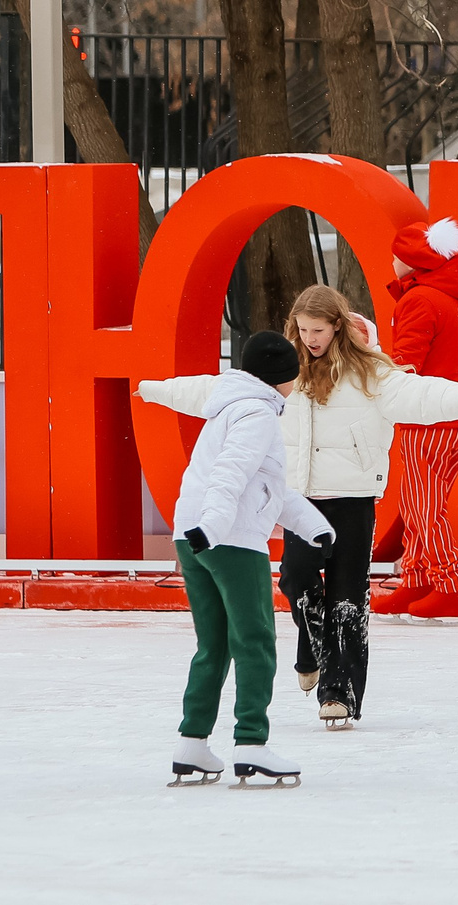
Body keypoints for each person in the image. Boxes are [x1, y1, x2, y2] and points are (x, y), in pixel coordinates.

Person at [141, 288, 458, 731]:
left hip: (353, 498)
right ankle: (311, 641)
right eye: (302, 330)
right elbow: (214, 388)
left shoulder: (370, 372)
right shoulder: (285, 370)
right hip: (298, 497)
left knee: (346, 598)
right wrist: (153, 389)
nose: (310, 339)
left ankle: (339, 694)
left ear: (338, 325)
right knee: (295, 580)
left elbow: (413, 392)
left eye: (317, 330)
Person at [144, 330, 336, 787]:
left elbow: (266, 486)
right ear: (280, 377)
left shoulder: (230, 407)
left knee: (214, 644)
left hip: (191, 534)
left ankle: (192, 742)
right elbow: (232, 473)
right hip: (228, 536)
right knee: (255, 641)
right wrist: (213, 526)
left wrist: (314, 527)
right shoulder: (258, 414)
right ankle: (251, 743)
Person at [377, 217, 458, 620]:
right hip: (455, 411)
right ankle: (416, 579)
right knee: (420, 499)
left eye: (396, 257)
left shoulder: (419, 300)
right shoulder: (452, 296)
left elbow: (405, 365)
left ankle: (450, 585)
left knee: (423, 505)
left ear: (412, 261)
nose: (391, 263)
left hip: (426, 415)